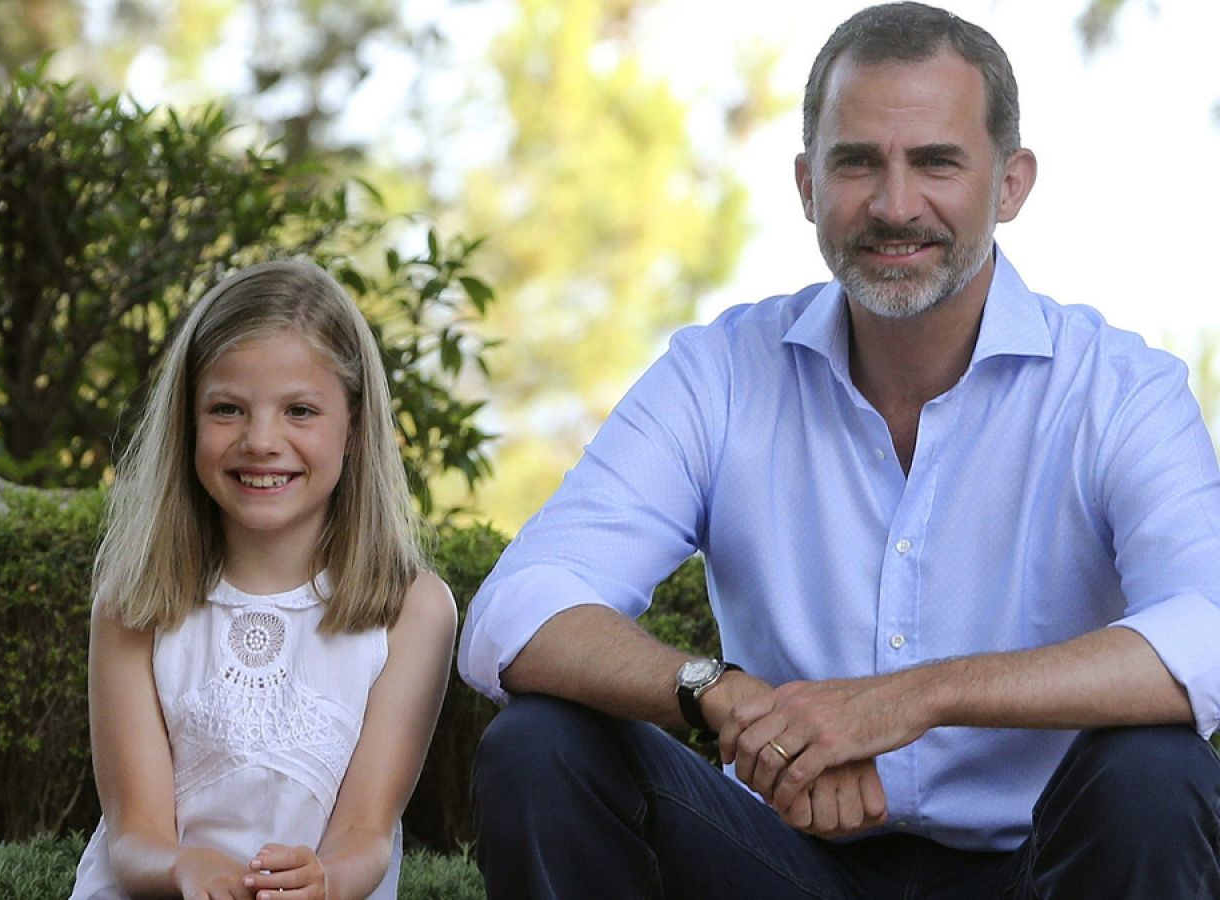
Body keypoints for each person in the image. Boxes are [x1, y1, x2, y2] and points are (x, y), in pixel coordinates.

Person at [458, 3, 1220, 897]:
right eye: (857, 162)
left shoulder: (1121, 390)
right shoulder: (721, 373)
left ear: (1010, 184)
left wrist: (911, 699)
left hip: (1044, 867)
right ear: (806, 185)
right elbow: (517, 612)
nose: (895, 206)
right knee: (541, 746)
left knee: (1155, 776)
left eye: (936, 161)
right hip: (783, 863)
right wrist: (726, 696)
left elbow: (1203, 630)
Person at [69, 259, 456, 900]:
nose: (261, 440)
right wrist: (184, 868)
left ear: (355, 424)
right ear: (188, 421)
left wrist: (324, 880)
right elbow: (135, 833)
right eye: (227, 410)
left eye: (300, 411)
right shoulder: (133, 604)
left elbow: (366, 831)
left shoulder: (411, 611)